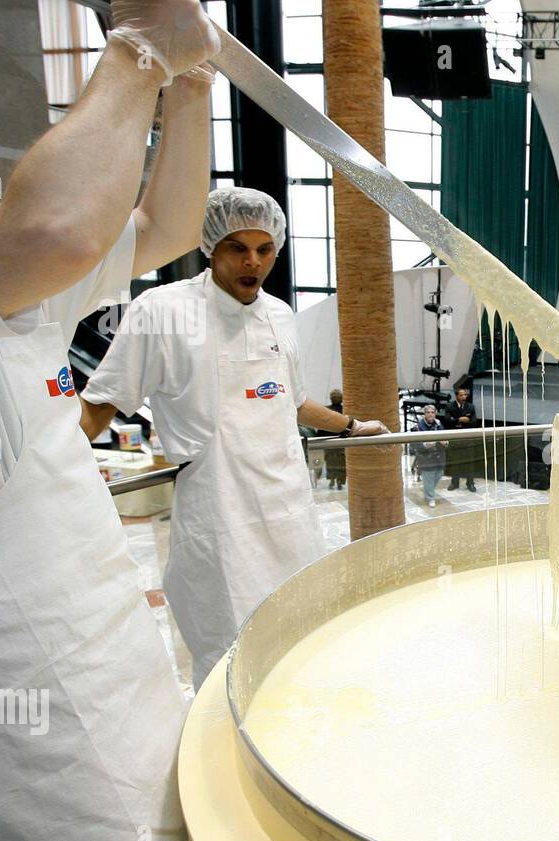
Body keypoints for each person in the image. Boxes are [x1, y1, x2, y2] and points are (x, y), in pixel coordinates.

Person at [0, 5, 219, 841]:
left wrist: (190, 83)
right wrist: (138, 48)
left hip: (114, 661)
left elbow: (166, 229)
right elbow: (55, 230)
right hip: (22, 720)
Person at [79, 187, 389, 690]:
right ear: (210, 247)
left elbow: (289, 400)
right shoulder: (162, 311)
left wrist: (353, 426)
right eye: (237, 248)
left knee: (299, 639)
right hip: (219, 517)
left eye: (264, 249)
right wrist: (43, 469)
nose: (252, 262)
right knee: (229, 654)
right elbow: (99, 406)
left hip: (288, 508)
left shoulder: (280, 315)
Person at [443, 385, 477, 492]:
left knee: (470, 462)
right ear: (456, 396)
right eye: (461, 395)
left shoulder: (471, 407)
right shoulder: (449, 406)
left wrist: (457, 420)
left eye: (465, 395)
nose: (464, 397)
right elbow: (447, 421)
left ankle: (470, 483)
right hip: (455, 438)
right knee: (455, 461)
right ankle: (455, 483)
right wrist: (460, 419)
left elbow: (474, 422)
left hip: (467, 438)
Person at [412, 404, 446, 507]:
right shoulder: (417, 427)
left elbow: (444, 436)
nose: (430, 414)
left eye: (432, 412)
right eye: (428, 412)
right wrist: (425, 445)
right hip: (426, 458)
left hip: (439, 457)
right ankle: (430, 498)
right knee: (429, 479)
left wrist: (446, 442)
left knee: (438, 476)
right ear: (424, 414)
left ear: (435, 414)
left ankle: (428, 491)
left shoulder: (439, 424)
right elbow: (413, 444)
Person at [325, 387, 347, 489]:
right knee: (341, 462)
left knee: (330, 462)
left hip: (328, 441)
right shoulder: (345, 410)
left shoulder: (326, 410)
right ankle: (339, 481)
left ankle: (332, 480)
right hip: (342, 441)